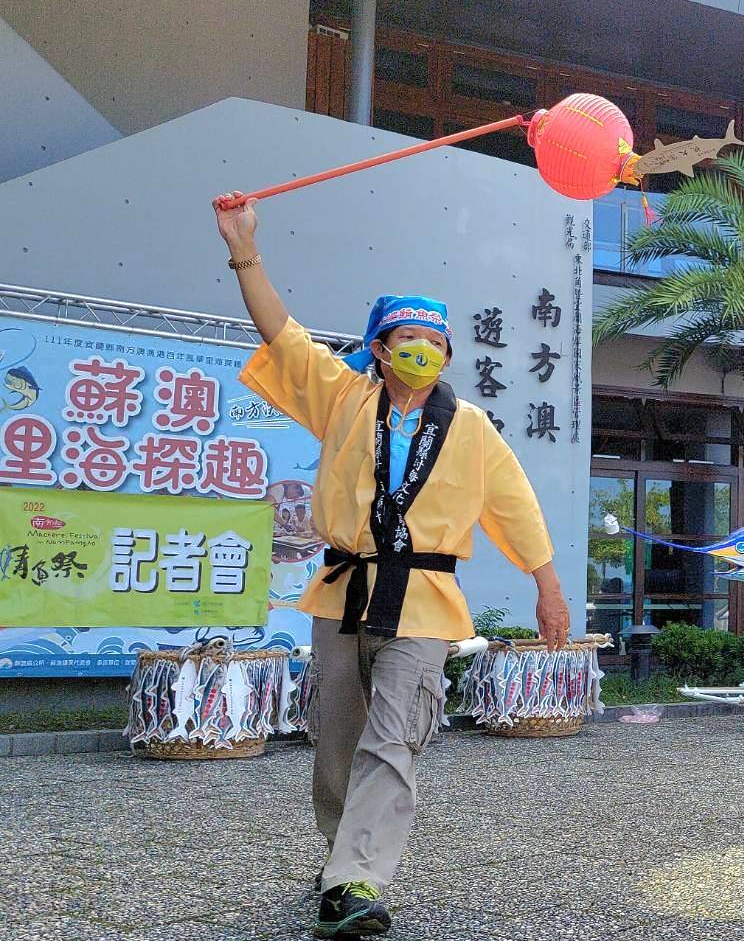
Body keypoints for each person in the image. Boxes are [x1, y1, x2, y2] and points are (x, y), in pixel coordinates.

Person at [214, 194, 570, 939]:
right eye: (407, 337)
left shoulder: (470, 427)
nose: (423, 349)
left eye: (434, 341)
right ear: (378, 347)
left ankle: (356, 880)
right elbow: (279, 333)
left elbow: (514, 506)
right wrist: (244, 247)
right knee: (338, 742)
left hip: (426, 602)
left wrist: (548, 585)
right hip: (343, 591)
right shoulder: (343, 398)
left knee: (393, 737)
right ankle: (345, 859)